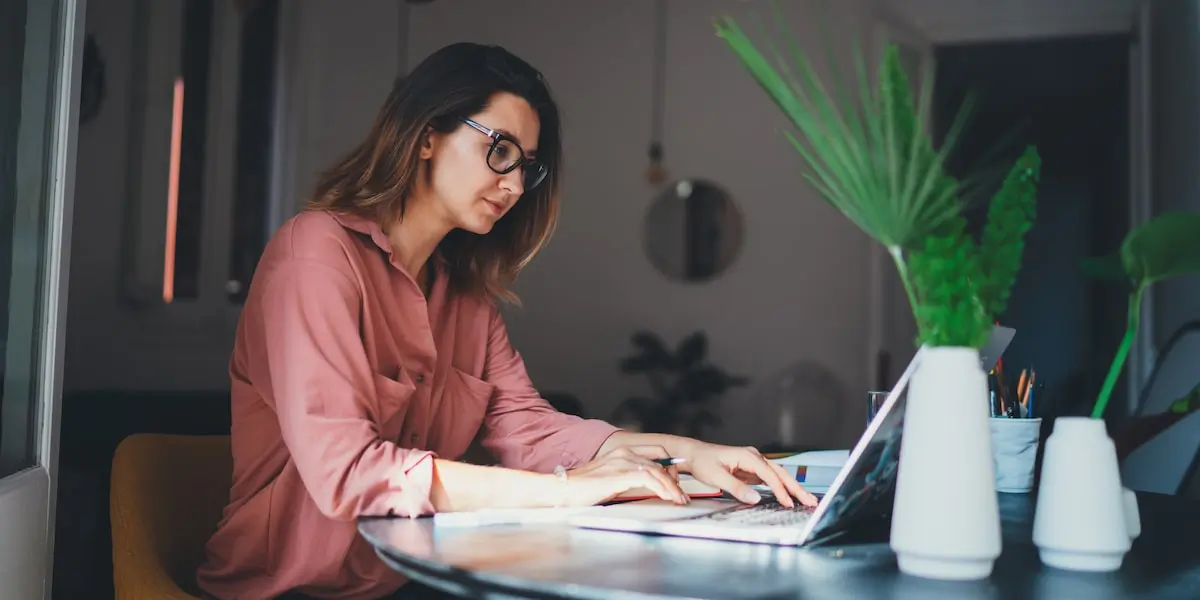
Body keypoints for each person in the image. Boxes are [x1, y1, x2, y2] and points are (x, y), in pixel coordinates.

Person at [195, 42, 816, 600]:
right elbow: (347, 472)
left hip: (408, 581)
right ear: (426, 136)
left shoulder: (464, 295)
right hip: (286, 591)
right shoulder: (315, 254)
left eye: (528, 165)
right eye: (500, 151)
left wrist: (686, 454)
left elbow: (527, 428)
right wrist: (569, 490)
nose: (517, 184)